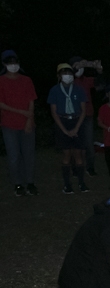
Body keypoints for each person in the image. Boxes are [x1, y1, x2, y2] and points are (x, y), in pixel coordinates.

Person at [0, 49, 38, 196]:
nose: (13, 65)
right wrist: (22, 113)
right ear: (4, 64)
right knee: (14, 156)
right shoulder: (1, 81)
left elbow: (31, 101)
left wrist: (29, 119)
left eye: (15, 62)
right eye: (10, 63)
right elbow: (1, 104)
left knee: (29, 155)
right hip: (9, 124)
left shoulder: (26, 80)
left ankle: (30, 183)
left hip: (27, 124)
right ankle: (17, 184)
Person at [48, 63, 89, 194]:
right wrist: (64, 130)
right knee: (66, 154)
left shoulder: (79, 89)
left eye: (69, 73)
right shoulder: (54, 90)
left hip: (77, 120)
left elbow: (83, 110)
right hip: (62, 121)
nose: (67, 76)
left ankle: (82, 183)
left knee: (78, 154)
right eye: (64, 73)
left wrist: (76, 128)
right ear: (59, 76)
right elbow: (54, 112)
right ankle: (67, 185)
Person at [70, 56, 104, 176]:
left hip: (88, 115)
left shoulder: (87, 80)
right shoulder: (69, 80)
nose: (81, 68)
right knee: (74, 143)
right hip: (73, 116)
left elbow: (100, 86)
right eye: (78, 65)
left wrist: (99, 71)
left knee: (89, 143)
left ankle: (90, 167)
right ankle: (75, 168)